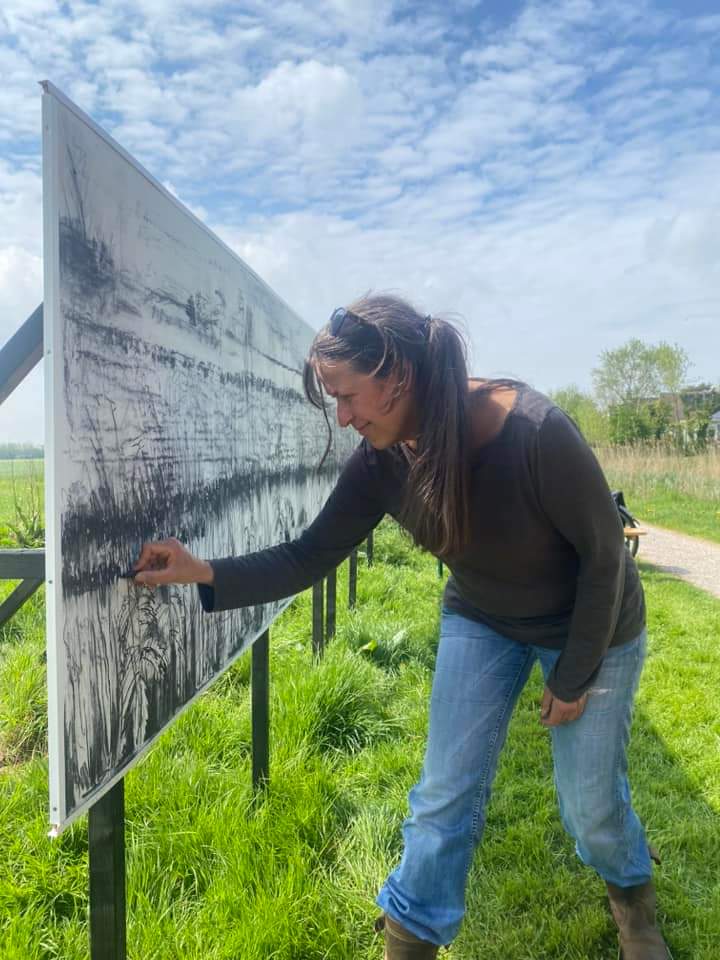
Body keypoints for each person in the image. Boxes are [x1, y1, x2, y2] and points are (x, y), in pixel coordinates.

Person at [132, 294, 671, 960]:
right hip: (484, 618)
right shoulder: (381, 463)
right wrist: (203, 571)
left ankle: (633, 903)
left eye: (349, 396)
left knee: (589, 811)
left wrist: (576, 670)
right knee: (443, 796)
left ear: (399, 377)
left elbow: (605, 555)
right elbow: (308, 555)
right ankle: (409, 943)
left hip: (596, 620)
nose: (344, 417)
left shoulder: (534, 432)